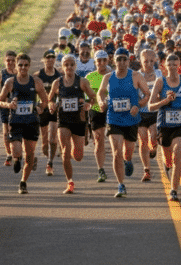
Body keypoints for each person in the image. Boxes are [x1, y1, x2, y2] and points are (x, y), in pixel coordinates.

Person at [97, 47, 150, 198]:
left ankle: (128, 160)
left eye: (124, 59)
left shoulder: (136, 76)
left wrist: (138, 105)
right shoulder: (108, 77)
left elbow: (147, 94)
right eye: (119, 59)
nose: (121, 62)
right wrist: (101, 102)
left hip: (132, 119)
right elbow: (100, 93)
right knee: (116, 152)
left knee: (127, 151)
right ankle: (121, 185)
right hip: (114, 119)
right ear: (114, 61)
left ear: (129, 60)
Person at [0, 53, 50, 194]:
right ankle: (16, 159)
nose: (23, 67)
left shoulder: (36, 82)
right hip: (16, 122)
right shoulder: (10, 82)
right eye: (20, 65)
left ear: (29, 66)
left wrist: (40, 107)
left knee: (30, 154)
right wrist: (9, 105)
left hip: (32, 122)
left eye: (26, 65)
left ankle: (23, 182)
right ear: (16, 65)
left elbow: (45, 100)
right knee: (16, 150)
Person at [148, 53, 181, 202]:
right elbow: (150, 106)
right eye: (170, 65)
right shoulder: (160, 82)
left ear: (179, 66)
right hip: (164, 126)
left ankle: (173, 190)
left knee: (178, 152)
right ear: (165, 66)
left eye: (176, 65)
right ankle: (167, 165)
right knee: (169, 160)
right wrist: (165, 101)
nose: (173, 68)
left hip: (180, 124)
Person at [47, 54, 96, 194]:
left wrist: (88, 104)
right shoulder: (57, 82)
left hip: (79, 120)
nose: (69, 67)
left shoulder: (82, 82)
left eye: (71, 64)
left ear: (75, 66)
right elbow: (50, 99)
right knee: (65, 152)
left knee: (78, 156)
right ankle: (70, 182)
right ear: (62, 67)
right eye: (66, 64)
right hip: (63, 120)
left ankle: (78, 147)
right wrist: (51, 106)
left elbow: (93, 97)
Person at [85, 50, 112, 183]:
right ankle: (100, 169)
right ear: (95, 62)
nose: (101, 63)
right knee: (99, 139)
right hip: (96, 110)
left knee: (117, 138)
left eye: (104, 60)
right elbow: (87, 97)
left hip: (113, 110)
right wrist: (91, 101)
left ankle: (124, 158)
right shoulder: (90, 77)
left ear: (108, 61)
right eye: (98, 61)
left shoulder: (113, 75)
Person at [36, 50, 62, 176]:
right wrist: (37, 105)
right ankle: (48, 156)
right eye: (48, 57)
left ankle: (50, 163)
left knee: (52, 139)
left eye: (53, 57)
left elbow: (63, 92)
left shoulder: (59, 75)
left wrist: (58, 103)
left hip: (54, 109)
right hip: (43, 109)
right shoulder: (38, 75)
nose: (50, 59)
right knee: (45, 144)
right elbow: (33, 92)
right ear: (44, 59)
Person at [137, 48, 161, 182]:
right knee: (142, 141)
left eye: (152, 61)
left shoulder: (158, 74)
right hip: (141, 113)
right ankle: (146, 170)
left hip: (154, 112)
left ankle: (154, 148)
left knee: (153, 136)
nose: (149, 64)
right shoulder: (137, 75)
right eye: (146, 61)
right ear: (141, 61)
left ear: (155, 61)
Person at [0, 51, 18, 167]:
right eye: (8, 60)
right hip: (5, 105)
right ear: (4, 61)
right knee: (5, 132)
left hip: (17, 106)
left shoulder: (20, 73)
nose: (10, 63)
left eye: (13, 60)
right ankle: (8, 154)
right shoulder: (0, 74)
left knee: (15, 129)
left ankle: (17, 152)